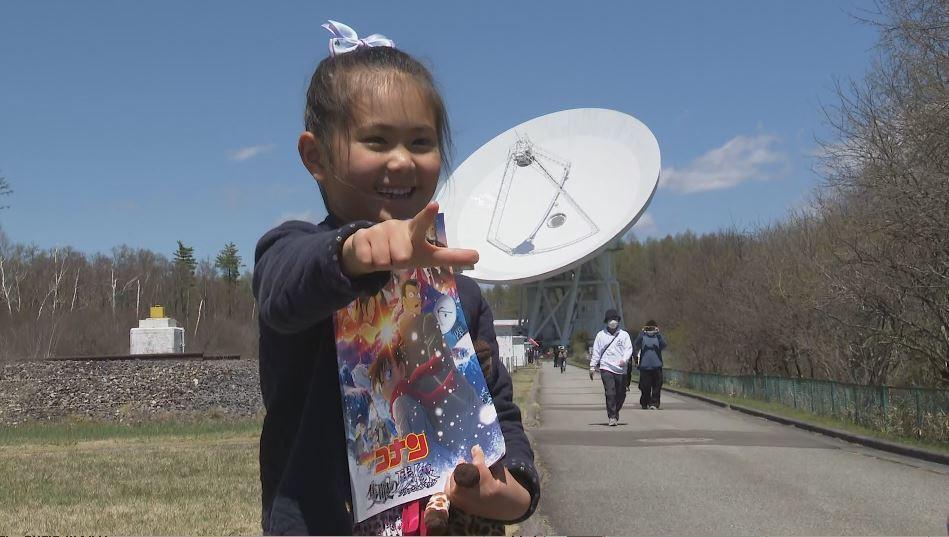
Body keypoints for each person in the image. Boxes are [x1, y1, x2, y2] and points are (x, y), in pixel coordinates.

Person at [253, 22, 539, 535]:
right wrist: (355, 250)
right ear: (315, 157)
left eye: (421, 141)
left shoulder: (461, 298)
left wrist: (514, 493)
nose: (403, 159)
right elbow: (282, 293)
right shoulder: (298, 256)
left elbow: (500, 411)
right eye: (377, 140)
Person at [588, 309, 633, 426]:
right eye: (610, 320)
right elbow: (596, 352)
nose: (613, 322)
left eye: (615, 319)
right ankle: (612, 416)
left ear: (618, 321)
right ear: (606, 321)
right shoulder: (600, 335)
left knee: (621, 394)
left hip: (621, 369)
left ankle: (615, 411)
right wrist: (592, 366)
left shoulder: (624, 335)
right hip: (606, 367)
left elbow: (629, 349)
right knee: (610, 392)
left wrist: (624, 360)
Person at [633, 320, 667, 410]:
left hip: (657, 366)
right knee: (645, 387)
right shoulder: (643, 337)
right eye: (649, 328)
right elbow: (636, 344)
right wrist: (642, 332)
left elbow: (663, 345)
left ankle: (654, 403)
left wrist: (658, 334)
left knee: (657, 387)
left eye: (653, 328)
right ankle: (644, 402)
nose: (651, 330)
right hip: (645, 367)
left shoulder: (658, 337)